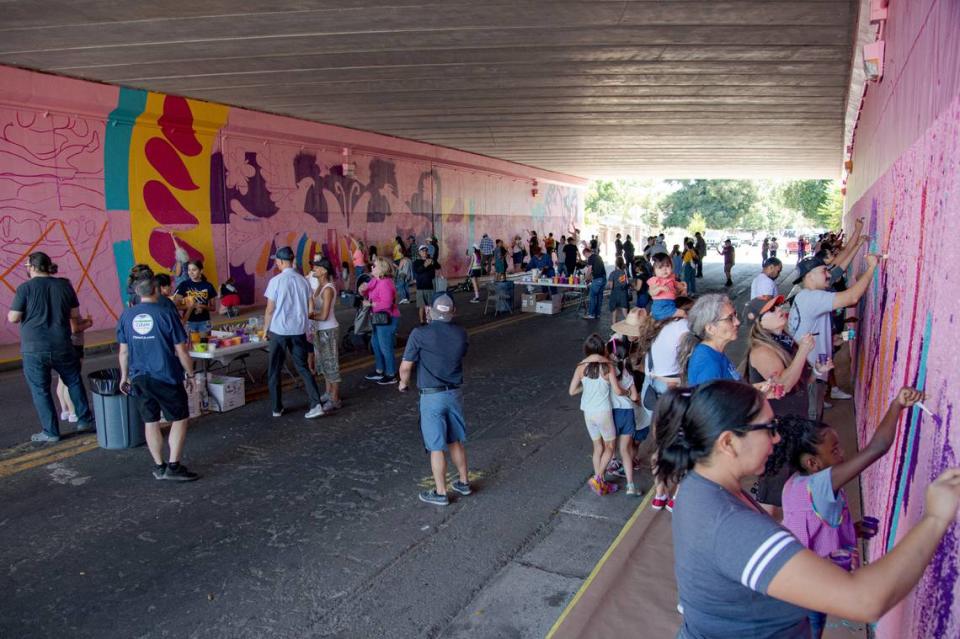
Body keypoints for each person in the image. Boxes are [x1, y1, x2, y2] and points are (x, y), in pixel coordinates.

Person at [655, 380, 960, 639]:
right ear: (728, 442)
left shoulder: (697, 485)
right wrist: (934, 519)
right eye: (769, 428)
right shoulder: (731, 526)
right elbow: (866, 600)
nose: (776, 437)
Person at [765, 387, 922, 636]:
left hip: (794, 584)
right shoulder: (820, 484)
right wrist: (897, 405)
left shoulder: (794, 484)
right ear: (813, 463)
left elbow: (812, 527)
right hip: (807, 594)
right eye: (835, 451)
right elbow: (877, 448)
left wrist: (851, 529)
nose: (843, 454)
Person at [117, 275, 200, 481]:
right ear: (156, 290)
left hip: (139, 377)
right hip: (166, 376)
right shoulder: (166, 314)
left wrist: (124, 376)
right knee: (179, 418)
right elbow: (181, 351)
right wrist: (190, 374)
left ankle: (159, 466)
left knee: (150, 421)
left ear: (137, 292)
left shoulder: (126, 316)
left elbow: (124, 352)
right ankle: (174, 466)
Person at [8, 253, 95, 442]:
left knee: (41, 390)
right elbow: (74, 314)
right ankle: (84, 420)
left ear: (31, 267)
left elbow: (14, 317)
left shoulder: (24, 289)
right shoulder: (64, 286)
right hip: (62, 343)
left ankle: (51, 432)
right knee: (73, 381)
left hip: (34, 347)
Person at [398, 294, 471, 506]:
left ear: (430, 310)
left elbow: (405, 367)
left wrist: (403, 383)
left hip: (431, 397)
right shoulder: (461, 333)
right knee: (455, 440)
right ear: (453, 312)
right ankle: (464, 482)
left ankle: (440, 492)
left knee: (436, 446)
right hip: (454, 394)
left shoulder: (420, 334)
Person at [788, 254, 878, 421]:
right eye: (824, 271)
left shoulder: (805, 297)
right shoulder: (811, 297)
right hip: (811, 377)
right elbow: (852, 298)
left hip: (811, 374)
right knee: (811, 424)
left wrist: (832, 339)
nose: (829, 275)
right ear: (809, 276)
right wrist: (872, 267)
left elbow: (814, 330)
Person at [633, 296, 694, 511]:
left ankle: (659, 493)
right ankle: (675, 495)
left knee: (660, 444)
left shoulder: (655, 330)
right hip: (670, 391)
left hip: (650, 390)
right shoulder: (682, 328)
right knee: (680, 444)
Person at [263, 246, 325, 419]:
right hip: (298, 330)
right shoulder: (303, 280)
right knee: (303, 367)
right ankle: (316, 403)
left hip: (279, 331)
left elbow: (270, 309)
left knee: (274, 369)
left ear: (282, 261)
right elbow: (309, 303)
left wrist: (264, 330)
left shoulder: (276, 281)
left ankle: (277, 408)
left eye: (276, 260)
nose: (276, 263)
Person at [568, 333, 624, 496]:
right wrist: (627, 391)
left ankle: (601, 484)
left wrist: (585, 388)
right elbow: (617, 390)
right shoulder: (608, 366)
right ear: (602, 349)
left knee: (597, 447)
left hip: (588, 412)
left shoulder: (580, 367)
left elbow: (572, 391)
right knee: (610, 447)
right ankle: (598, 478)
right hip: (603, 413)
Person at [678, 293, 742, 386]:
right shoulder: (708, 364)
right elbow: (711, 400)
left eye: (735, 315)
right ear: (710, 329)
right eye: (730, 318)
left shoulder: (714, 352)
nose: (737, 322)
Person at [606, 336, 642, 496]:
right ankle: (630, 486)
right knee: (625, 451)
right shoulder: (627, 372)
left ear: (612, 354)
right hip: (627, 413)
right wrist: (627, 393)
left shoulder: (606, 371)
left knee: (608, 448)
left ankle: (600, 478)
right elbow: (634, 397)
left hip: (612, 413)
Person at [56, 279, 93, 425]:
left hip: (63, 344)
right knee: (70, 380)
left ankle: (65, 410)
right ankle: (73, 412)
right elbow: (74, 328)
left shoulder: (57, 303)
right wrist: (88, 323)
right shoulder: (69, 305)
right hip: (74, 344)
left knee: (61, 380)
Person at [307, 257, 342, 412]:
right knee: (323, 363)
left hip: (328, 330)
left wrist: (308, 315)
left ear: (324, 271)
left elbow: (324, 315)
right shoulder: (319, 286)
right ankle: (328, 392)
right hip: (320, 330)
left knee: (331, 363)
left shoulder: (328, 288)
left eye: (316, 267)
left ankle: (335, 398)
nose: (313, 269)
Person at [360, 257, 401, 385]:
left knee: (385, 346)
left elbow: (387, 303)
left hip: (387, 318)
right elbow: (365, 293)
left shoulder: (386, 283)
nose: (372, 267)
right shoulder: (375, 280)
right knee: (376, 344)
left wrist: (370, 304)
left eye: (375, 266)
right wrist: (362, 289)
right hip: (377, 318)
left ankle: (391, 374)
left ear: (382, 269)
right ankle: (380, 370)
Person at [173, 260, 217, 334]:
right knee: (191, 344)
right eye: (189, 270)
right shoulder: (183, 285)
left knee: (205, 344)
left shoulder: (208, 285)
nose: (191, 272)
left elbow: (213, 308)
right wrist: (191, 306)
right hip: (189, 322)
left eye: (194, 270)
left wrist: (201, 306)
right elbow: (176, 306)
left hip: (204, 322)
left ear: (201, 271)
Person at [647, 253, 687, 321]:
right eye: (660, 267)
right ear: (654, 271)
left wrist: (683, 288)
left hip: (670, 305)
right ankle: (690, 326)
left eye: (667, 266)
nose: (664, 269)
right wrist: (659, 288)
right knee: (683, 313)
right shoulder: (655, 280)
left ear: (671, 266)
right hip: (661, 307)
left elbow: (679, 286)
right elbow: (651, 293)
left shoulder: (671, 279)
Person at [413, 245, 439, 324]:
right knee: (421, 306)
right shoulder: (416, 262)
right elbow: (418, 271)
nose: (424, 252)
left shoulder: (431, 261)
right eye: (422, 251)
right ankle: (422, 321)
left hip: (430, 286)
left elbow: (435, 271)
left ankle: (430, 320)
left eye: (426, 251)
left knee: (430, 305)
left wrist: (433, 263)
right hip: (420, 287)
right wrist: (425, 265)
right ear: (419, 252)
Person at [582, 247, 606, 320]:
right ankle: (597, 314)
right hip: (603, 279)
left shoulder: (590, 258)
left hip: (598, 280)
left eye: (584, 255)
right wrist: (590, 278)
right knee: (599, 297)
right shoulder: (597, 256)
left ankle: (591, 314)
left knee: (592, 296)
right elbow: (597, 270)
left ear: (586, 253)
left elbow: (589, 270)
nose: (585, 258)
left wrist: (585, 279)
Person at [607, 257, 631, 324]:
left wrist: (609, 284)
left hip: (614, 294)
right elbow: (624, 283)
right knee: (625, 314)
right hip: (623, 294)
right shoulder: (623, 273)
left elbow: (611, 286)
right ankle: (630, 329)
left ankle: (614, 331)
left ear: (616, 264)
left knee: (614, 315)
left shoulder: (613, 273)